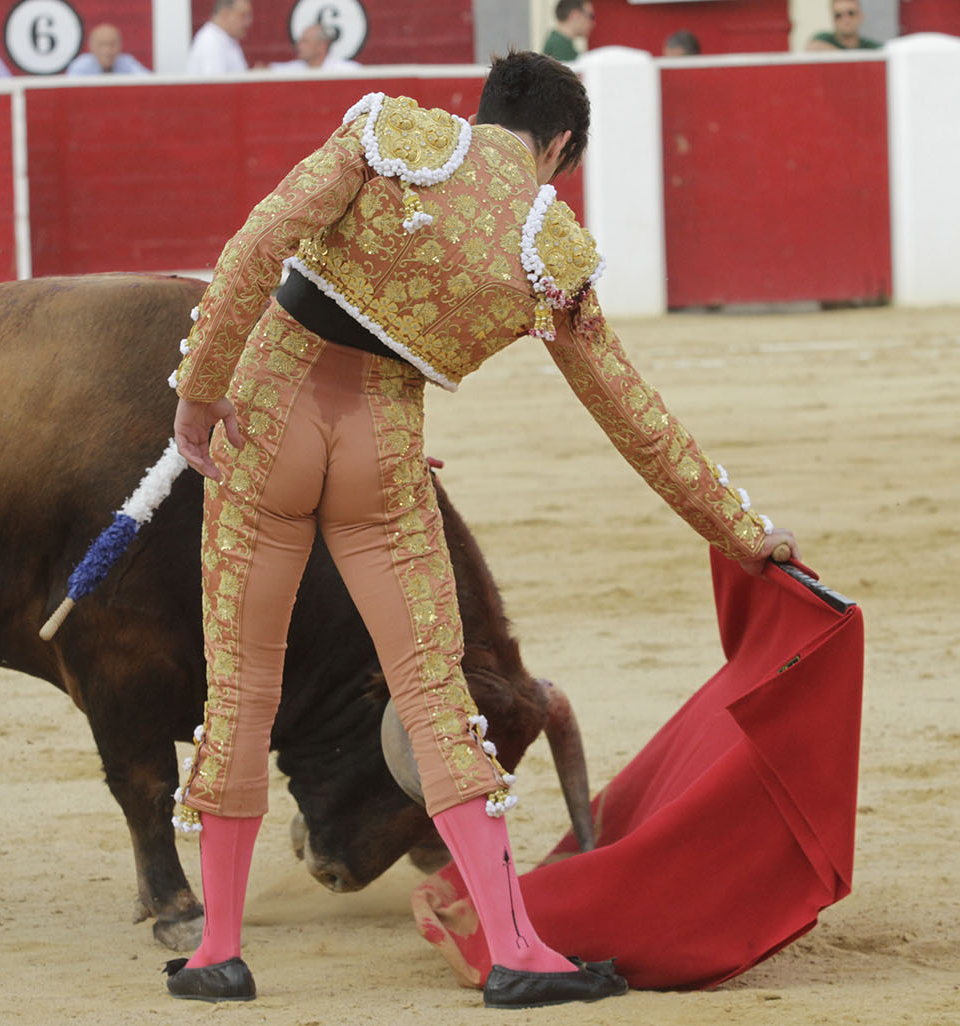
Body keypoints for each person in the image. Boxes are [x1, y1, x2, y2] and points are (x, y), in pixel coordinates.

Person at [165, 49, 797, 1008]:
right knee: (433, 696)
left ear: (489, 110)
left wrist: (198, 391)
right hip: (384, 448)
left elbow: (260, 245)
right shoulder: (549, 246)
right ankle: (512, 949)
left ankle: (217, 951)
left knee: (243, 683)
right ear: (556, 148)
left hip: (265, 416)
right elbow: (635, 417)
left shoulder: (393, 138)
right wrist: (744, 532)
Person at [186, 0, 252, 75]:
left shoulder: (224, 39)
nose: (248, 22)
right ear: (225, 15)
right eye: (243, 16)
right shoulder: (210, 43)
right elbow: (214, 84)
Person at [268, 23, 360, 72]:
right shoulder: (294, 69)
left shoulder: (347, 70)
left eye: (305, 42)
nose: (299, 46)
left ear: (322, 46)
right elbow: (270, 71)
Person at [65, 23, 149, 76]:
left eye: (112, 44)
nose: (107, 50)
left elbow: (148, 82)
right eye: (101, 44)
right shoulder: (80, 66)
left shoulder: (127, 62)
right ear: (91, 47)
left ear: (120, 46)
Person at [807, 0, 882, 50]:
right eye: (838, 15)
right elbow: (813, 47)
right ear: (833, 19)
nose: (846, 19)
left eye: (851, 13)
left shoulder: (871, 47)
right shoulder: (823, 38)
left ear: (861, 16)